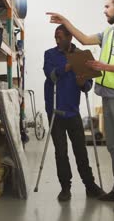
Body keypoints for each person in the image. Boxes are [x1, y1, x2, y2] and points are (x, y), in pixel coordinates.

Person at [47, 0, 114, 212]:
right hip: (107, 94)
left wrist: (104, 67)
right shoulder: (108, 33)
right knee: (113, 147)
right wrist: (66, 22)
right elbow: (84, 39)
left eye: (107, 6)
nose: (104, 10)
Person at [44, 25, 105, 202]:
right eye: (55, 37)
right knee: (61, 152)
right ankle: (65, 188)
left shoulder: (81, 56)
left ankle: (90, 186)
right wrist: (67, 67)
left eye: (60, 37)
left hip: (73, 111)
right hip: (55, 111)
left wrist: (81, 83)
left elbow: (87, 86)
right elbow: (50, 75)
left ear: (70, 37)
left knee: (80, 151)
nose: (57, 40)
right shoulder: (50, 54)